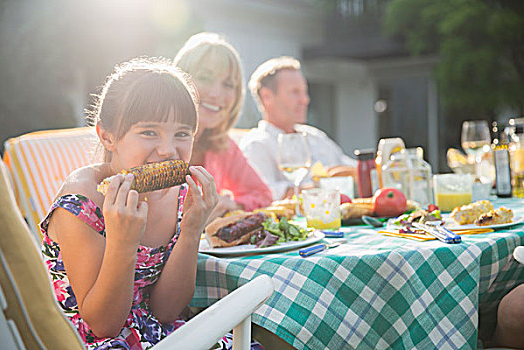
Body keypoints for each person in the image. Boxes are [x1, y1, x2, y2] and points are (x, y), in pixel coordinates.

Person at [39, 58, 261, 349]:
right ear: (107, 136)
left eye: (182, 134)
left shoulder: (179, 195)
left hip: (161, 333)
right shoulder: (83, 203)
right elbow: (104, 325)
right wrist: (122, 242)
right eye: (149, 132)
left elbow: (167, 311)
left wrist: (193, 228)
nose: (168, 150)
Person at [174, 32, 273, 221]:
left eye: (228, 84)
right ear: (179, 79)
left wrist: (230, 204)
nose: (216, 93)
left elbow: (263, 196)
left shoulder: (221, 145)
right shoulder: (153, 142)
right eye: (205, 78)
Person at [240, 56, 356, 200]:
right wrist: (319, 186)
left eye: (304, 91)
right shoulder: (256, 145)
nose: (305, 99)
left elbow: (354, 169)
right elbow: (264, 194)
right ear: (267, 96)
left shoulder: (314, 135)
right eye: (295, 92)